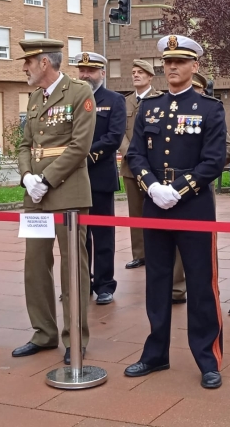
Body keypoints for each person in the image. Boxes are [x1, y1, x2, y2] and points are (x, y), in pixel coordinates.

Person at [124, 34, 226, 389]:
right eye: (168, 62)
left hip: (193, 206)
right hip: (155, 204)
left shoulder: (210, 108)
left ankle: (208, 359)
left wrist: (178, 190)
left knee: (201, 285)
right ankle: (155, 354)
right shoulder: (149, 107)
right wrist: (152, 186)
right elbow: (135, 153)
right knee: (157, 282)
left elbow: (213, 161)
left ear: (195, 66)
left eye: (180, 62)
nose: (172, 68)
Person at [12, 39, 96, 366]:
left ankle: (75, 338)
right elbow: (24, 145)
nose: (24, 68)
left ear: (44, 63)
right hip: (35, 197)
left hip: (67, 193)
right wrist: (26, 178)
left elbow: (79, 146)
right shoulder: (34, 98)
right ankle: (43, 332)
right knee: (35, 266)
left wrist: (45, 179)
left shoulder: (79, 92)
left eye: (28, 62)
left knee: (72, 268)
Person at [76, 52, 126, 305]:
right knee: (77, 234)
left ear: (102, 73)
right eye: (82, 70)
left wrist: (81, 158)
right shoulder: (71, 98)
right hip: (72, 179)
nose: (85, 75)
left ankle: (105, 285)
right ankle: (82, 281)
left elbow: (114, 137)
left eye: (91, 70)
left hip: (99, 176)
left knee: (102, 234)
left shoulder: (114, 100)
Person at [122, 60, 161, 271]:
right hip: (130, 166)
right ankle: (140, 254)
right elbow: (120, 133)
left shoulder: (160, 99)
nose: (136, 75)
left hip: (154, 167)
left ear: (150, 77)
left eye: (140, 73)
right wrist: (132, 154)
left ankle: (156, 251)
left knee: (155, 210)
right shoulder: (125, 102)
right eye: (134, 72)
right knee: (135, 212)